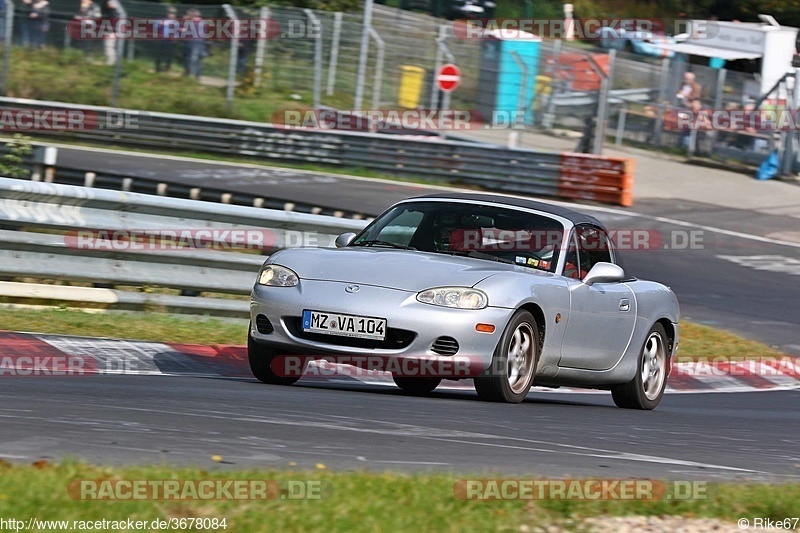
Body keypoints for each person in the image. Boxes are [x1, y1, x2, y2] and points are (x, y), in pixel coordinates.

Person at [153, 7, 179, 73]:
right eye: (171, 13)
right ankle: (157, 68)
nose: (172, 15)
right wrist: (162, 24)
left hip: (171, 40)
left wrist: (176, 38)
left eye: (174, 13)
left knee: (169, 55)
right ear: (168, 14)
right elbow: (156, 26)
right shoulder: (163, 20)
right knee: (160, 54)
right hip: (163, 39)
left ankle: (167, 68)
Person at [182, 9, 205, 79]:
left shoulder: (192, 23)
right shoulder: (202, 23)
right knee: (197, 60)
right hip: (199, 43)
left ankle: (190, 73)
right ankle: (197, 75)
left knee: (191, 59)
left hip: (193, 42)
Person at [102, 0, 120, 66]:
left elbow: (113, 24)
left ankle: (111, 62)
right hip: (110, 32)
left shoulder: (113, 13)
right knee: (108, 47)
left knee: (109, 46)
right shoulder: (111, 12)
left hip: (111, 32)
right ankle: (110, 61)